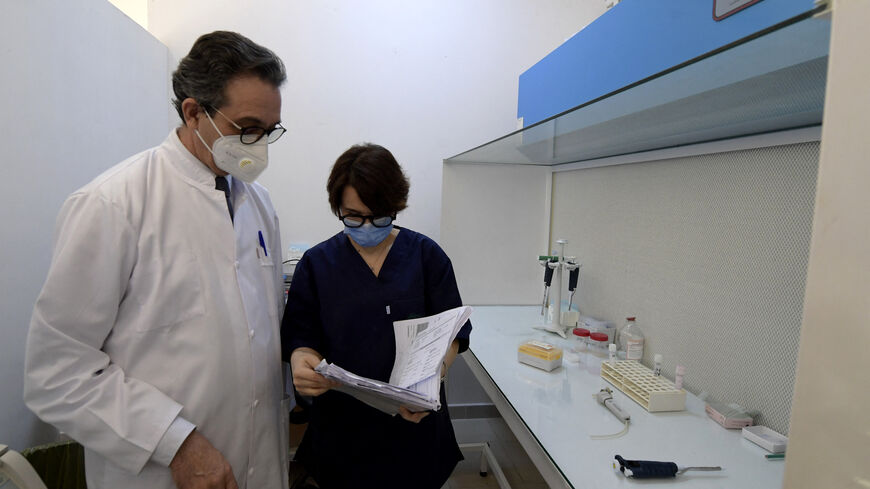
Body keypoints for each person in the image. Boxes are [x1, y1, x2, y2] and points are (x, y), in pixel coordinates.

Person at [23, 31, 290, 489]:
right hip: (160, 472)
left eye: (269, 131)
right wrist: (176, 444)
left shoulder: (258, 203)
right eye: (246, 128)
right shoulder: (113, 204)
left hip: (258, 462)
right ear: (193, 112)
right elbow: (57, 372)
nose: (258, 145)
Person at [282, 143, 472, 489]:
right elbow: (301, 337)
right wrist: (302, 362)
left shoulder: (427, 257)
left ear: (397, 206)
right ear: (337, 207)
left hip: (414, 426)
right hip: (343, 429)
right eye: (353, 216)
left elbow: (455, 334)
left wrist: (433, 377)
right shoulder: (316, 264)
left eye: (380, 216)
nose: (367, 226)